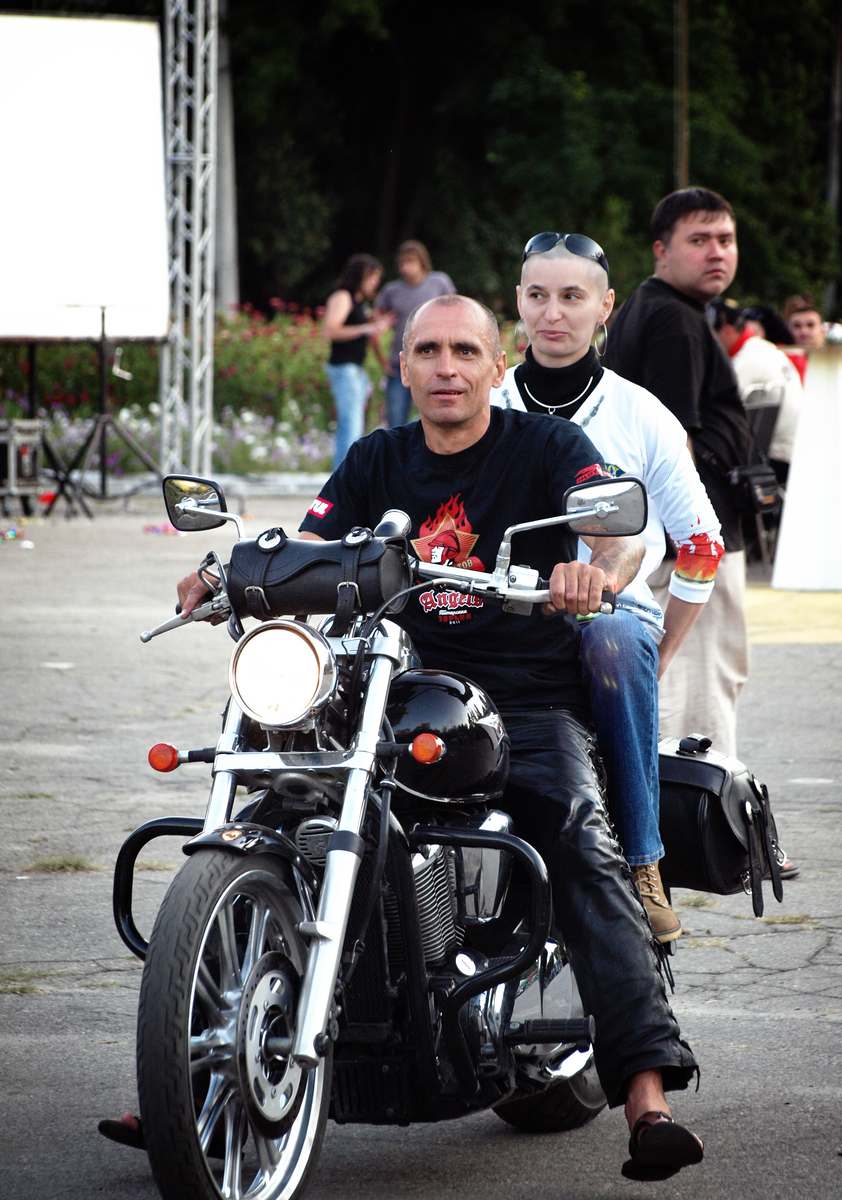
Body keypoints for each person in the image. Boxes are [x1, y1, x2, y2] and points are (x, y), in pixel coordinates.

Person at [169, 293, 704, 1181]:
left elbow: (620, 540)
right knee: (271, 807)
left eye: (464, 351)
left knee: (578, 838)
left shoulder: (547, 446)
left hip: (524, 697)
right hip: (391, 688)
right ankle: (181, 1076)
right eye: (427, 351)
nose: (446, 367)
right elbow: (307, 546)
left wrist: (595, 573)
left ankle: (648, 1094)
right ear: (405, 367)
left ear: (497, 366)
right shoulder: (377, 458)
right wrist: (223, 571)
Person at [491, 231, 724, 943]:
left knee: (615, 639)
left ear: (606, 307)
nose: (552, 313)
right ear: (518, 302)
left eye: (572, 296)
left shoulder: (641, 414)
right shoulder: (483, 399)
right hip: (494, 612)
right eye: (538, 295)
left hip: (612, 617)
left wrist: (663, 655)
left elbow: (702, 545)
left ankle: (643, 860)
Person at [604, 187, 752, 766]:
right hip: (689, 541)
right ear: (661, 250)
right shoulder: (674, 320)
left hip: (666, 536)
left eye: (726, 240)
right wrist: (688, 543)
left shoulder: (657, 307)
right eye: (699, 240)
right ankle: (703, 814)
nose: (717, 252)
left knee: (693, 683)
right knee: (700, 690)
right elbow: (675, 441)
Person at [711, 299, 804, 484]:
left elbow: (717, 409)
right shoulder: (761, 347)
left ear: (727, 330)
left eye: (711, 334)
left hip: (778, 457)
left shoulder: (745, 361)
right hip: (796, 449)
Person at [322, 253, 393, 467]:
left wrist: (384, 363)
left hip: (355, 369)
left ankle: (345, 473)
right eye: (372, 277)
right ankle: (343, 477)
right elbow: (330, 330)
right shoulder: (343, 297)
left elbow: (369, 335)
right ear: (361, 276)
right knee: (350, 426)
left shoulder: (361, 303)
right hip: (344, 368)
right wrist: (367, 327)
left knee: (355, 426)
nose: (375, 283)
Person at [376, 240, 455, 426]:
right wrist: (381, 360)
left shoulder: (439, 282)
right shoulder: (392, 290)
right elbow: (376, 325)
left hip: (434, 361)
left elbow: (456, 312)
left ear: (422, 262)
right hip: (400, 363)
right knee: (396, 421)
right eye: (402, 263)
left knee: (437, 418)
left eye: (410, 262)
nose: (405, 267)